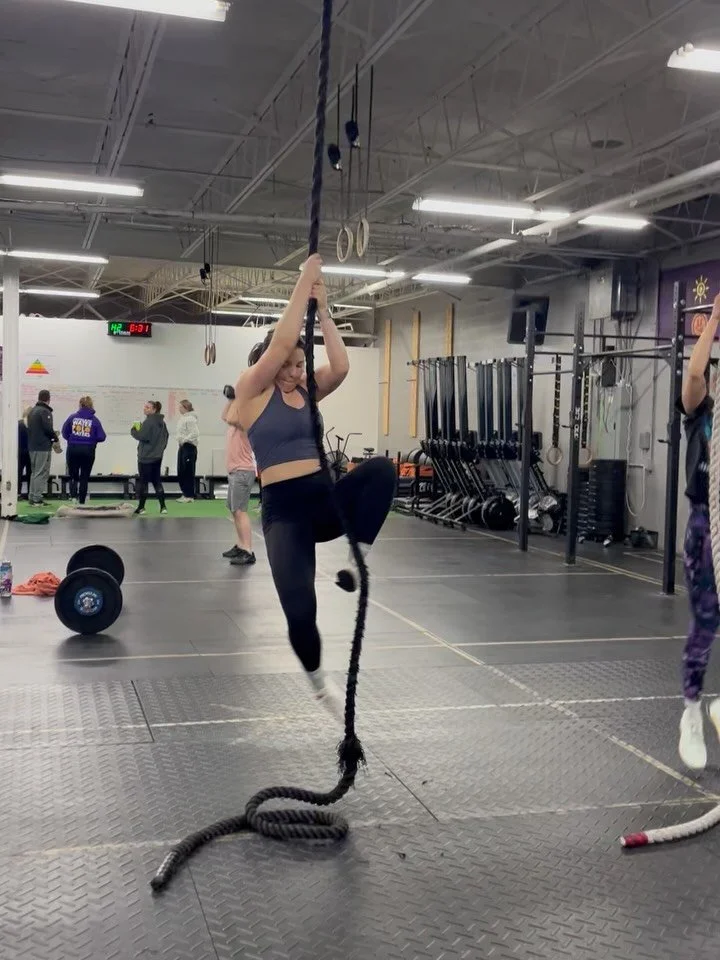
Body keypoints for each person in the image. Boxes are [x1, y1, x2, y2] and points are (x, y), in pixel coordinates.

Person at [226, 254, 396, 720]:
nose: (295, 371)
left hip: (323, 500)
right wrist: (303, 280)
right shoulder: (252, 392)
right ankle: (320, 685)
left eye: (301, 364)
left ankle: (357, 559)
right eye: (288, 364)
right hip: (284, 514)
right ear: (268, 364)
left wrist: (323, 310)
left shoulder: (308, 392)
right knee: (300, 610)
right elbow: (281, 342)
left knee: (382, 471)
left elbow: (339, 366)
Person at [677, 291, 720, 770]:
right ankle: (691, 709)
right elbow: (693, 375)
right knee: (707, 623)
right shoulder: (701, 414)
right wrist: (713, 323)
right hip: (707, 529)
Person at [221, 399, 256, 566]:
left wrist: (235, 399)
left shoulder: (245, 422)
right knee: (235, 511)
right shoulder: (233, 425)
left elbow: (230, 418)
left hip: (243, 471)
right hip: (235, 472)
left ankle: (248, 551)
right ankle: (241, 546)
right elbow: (224, 416)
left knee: (241, 511)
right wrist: (231, 400)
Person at [61, 396, 107, 505]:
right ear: (91, 406)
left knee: (73, 475)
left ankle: (73, 499)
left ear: (80, 405)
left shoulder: (72, 418)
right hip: (88, 450)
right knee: (84, 477)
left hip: (73, 449)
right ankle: (82, 502)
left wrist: (72, 439)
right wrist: (91, 440)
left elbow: (64, 433)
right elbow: (102, 437)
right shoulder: (95, 420)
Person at [131, 400, 169, 516]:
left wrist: (134, 430)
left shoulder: (149, 422)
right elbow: (166, 437)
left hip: (145, 457)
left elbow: (142, 436)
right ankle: (163, 507)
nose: (145, 409)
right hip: (157, 457)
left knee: (144, 483)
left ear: (154, 409)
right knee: (157, 481)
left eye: (147, 407)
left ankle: (141, 508)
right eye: (145, 407)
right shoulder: (162, 423)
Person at [27, 390, 59, 506]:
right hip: (42, 447)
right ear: (48, 399)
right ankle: (37, 499)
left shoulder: (32, 411)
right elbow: (48, 429)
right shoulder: (45, 411)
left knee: (34, 472)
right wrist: (55, 437)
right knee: (41, 473)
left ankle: (32, 497)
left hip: (32, 446)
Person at [176, 399, 200, 503]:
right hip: (182, 447)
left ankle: (189, 495)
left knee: (188, 472)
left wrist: (185, 440)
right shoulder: (183, 418)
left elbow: (195, 433)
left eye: (180, 407)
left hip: (189, 447)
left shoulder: (190, 419)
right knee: (181, 471)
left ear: (186, 408)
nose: (179, 409)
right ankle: (185, 493)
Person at [17, 407, 32, 500]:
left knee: (18, 473)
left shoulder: (19, 424)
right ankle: (30, 493)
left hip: (20, 451)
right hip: (30, 452)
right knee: (30, 473)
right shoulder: (33, 425)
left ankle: (18, 493)